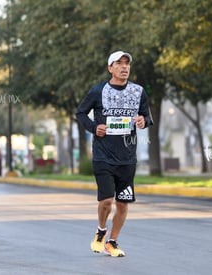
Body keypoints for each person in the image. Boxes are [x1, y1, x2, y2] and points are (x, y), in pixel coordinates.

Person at [76, 50, 153, 257]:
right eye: (119, 63)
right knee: (107, 200)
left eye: (127, 63)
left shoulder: (138, 92)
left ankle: (112, 241)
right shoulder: (97, 91)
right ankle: (101, 230)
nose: (124, 67)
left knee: (123, 202)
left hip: (127, 157)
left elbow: (147, 116)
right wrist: (94, 127)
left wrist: (143, 121)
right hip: (103, 155)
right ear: (110, 68)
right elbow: (80, 112)